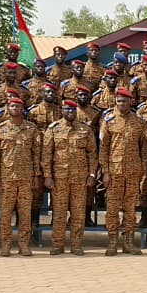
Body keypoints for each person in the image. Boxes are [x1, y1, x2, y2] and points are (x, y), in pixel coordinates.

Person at [41, 100, 98, 256]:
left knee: (78, 213)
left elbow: (92, 154)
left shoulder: (85, 130)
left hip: (80, 179)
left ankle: (76, 245)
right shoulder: (53, 129)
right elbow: (46, 155)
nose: (70, 112)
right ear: (62, 110)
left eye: (73, 109)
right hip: (59, 179)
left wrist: (92, 174)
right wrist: (47, 176)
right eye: (67, 109)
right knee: (59, 213)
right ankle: (58, 245)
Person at [0, 98, 41, 257]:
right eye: (12, 105)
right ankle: (6, 244)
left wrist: (36, 174)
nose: (15, 108)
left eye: (18, 106)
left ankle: (24, 244)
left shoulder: (31, 129)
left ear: (22, 108)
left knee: (25, 213)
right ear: (7, 108)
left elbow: (36, 153)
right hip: (6, 179)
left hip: (26, 179)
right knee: (5, 214)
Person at [98, 88, 147, 255]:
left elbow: (144, 149)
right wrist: (105, 171)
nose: (121, 104)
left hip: (133, 171)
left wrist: (143, 172)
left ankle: (128, 242)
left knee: (130, 208)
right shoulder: (109, 120)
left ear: (130, 102)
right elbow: (103, 148)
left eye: (124, 101)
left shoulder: (139, 122)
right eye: (119, 101)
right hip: (114, 172)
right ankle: (112, 242)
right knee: (112, 208)